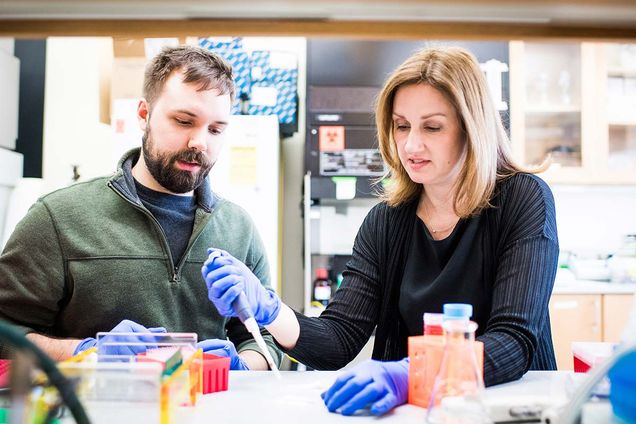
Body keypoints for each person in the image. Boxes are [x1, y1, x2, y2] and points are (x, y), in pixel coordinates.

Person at [202, 46, 559, 413]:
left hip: (511, 410)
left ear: (472, 129)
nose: (411, 144)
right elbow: (338, 339)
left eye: (432, 127)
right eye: (401, 126)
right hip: (418, 411)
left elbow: (513, 341)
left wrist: (409, 373)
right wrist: (269, 311)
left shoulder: (522, 198)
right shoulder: (387, 222)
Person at [0, 45, 282, 371]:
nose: (200, 142)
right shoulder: (59, 218)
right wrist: (87, 352)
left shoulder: (237, 228)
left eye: (215, 129)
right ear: (144, 115)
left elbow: (264, 338)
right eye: (183, 121)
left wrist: (243, 365)